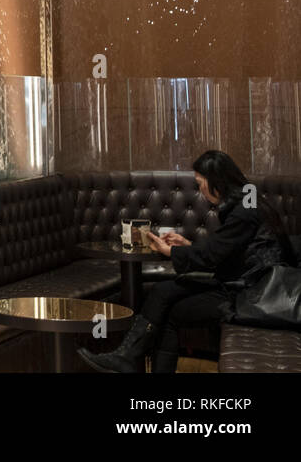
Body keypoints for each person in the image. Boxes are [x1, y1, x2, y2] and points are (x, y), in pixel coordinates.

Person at [79, 149, 297, 373]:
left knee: (171, 311)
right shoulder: (248, 202)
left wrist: (170, 252)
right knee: (163, 292)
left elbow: (213, 255)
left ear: (216, 181)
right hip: (242, 283)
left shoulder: (244, 211)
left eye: (201, 182)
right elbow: (227, 251)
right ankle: (126, 358)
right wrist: (187, 246)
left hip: (251, 295)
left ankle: (126, 359)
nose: (200, 189)